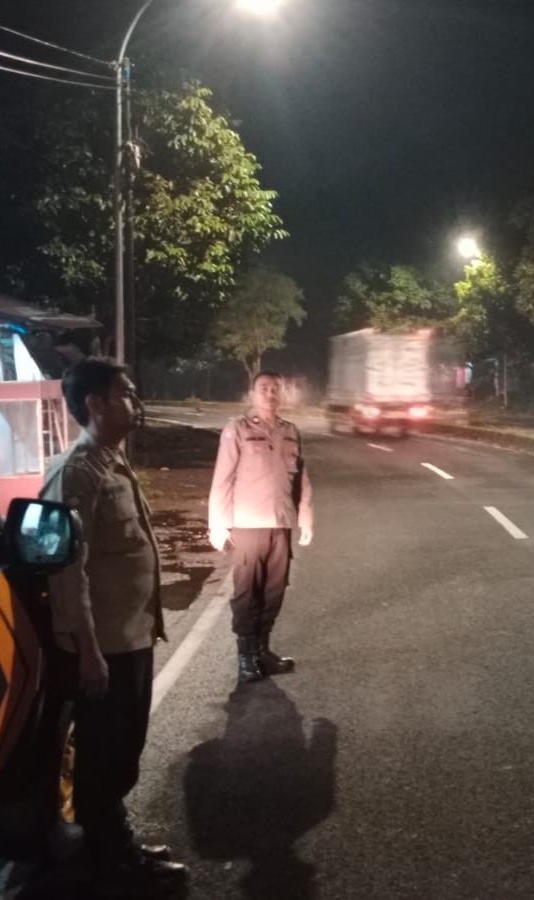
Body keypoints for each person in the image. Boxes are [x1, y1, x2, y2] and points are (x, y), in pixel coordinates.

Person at [42, 358, 188, 895]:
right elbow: (67, 571)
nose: (136, 401)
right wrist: (87, 651)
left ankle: (114, 845)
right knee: (105, 758)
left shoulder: (112, 462)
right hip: (103, 646)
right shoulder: (78, 472)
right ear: (95, 403)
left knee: (121, 752)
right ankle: (112, 865)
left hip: (129, 636)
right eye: (125, 393)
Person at [208, 371, 315, 685]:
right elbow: (222, 478)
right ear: (252, 393)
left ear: (281, 394)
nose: (270, 394)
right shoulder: (238, 429)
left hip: (280, 524)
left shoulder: (290, 431)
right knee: (247, 593)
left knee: (274, 591)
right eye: (264, 388)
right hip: (248, 524)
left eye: (275, 389)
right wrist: (218, 524)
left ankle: (262, 651)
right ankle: (245, 657)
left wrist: (305, 515)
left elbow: (301, 480)